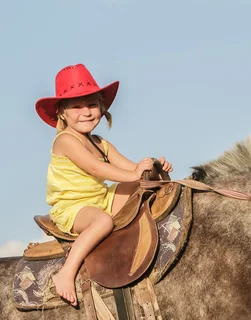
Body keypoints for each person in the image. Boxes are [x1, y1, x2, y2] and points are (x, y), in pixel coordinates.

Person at [35, 64, 173, 306]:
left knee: (144, 188)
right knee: (102, 221)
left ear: (102, 107)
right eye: (76, 106)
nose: (86, 112)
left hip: (101, 199)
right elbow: (97, 169)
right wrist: (134, 174)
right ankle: (66, 273)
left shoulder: (100, 143)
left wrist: (153, 168)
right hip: (73, 207)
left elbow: (132, 170)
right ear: (62, 113)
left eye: (91, 104)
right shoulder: (65, 140)